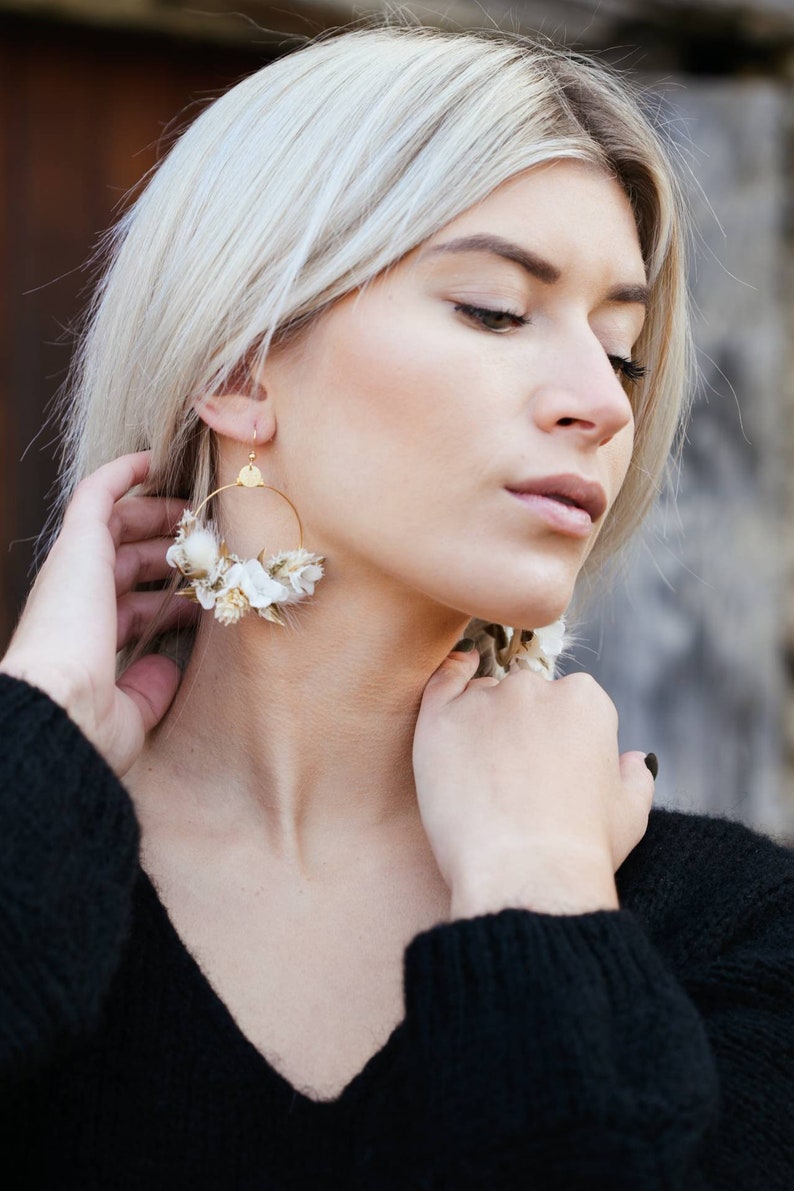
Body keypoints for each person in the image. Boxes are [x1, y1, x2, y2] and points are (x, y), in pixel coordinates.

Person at [0, 23, 791, 1190]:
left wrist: (538, 894)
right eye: (492, 310)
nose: (599, 404)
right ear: (238, 366)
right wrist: (35, 748)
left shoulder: (731, 929)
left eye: (621, 352)